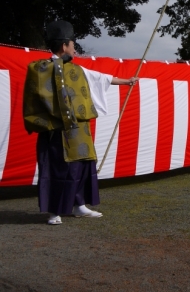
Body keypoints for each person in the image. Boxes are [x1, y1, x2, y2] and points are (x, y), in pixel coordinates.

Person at [23, 20, 139, 225]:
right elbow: (36, 97)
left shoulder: (77, 71)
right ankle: (54, 211)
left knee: (81, 168)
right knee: (57, 169)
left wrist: (127, 81)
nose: (75, 49)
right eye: (73, 44)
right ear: (65, 45)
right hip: (56, 131)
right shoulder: (40, 68)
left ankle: (79, 205)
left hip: (79, 131)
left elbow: (101, 78)